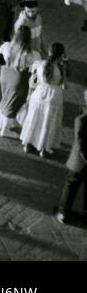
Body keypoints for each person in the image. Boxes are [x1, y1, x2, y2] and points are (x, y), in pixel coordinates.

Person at [21, 43, 67, 157]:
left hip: (38, 95)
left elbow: (33, 82)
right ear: (61, 55)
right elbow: (64, 86)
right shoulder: (60, 68)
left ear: (50, 52)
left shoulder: (40, 64)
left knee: (34, 119)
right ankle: (44, 149)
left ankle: (28, 145)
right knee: (48, 122)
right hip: (53, 97)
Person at [0, 22, 35, 139]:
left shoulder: (6, 46)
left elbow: (0, 57)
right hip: (19, 81)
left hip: (4, 75)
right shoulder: (30, 54)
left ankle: (2, 123)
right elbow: (35, 71)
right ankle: (4, 130)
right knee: (13, 103)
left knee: (5, 99)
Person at [54, 91, 87, 223]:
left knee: (71, 184)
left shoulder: (81, 119)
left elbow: (80, 143)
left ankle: (63, 212)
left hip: (79, 161)